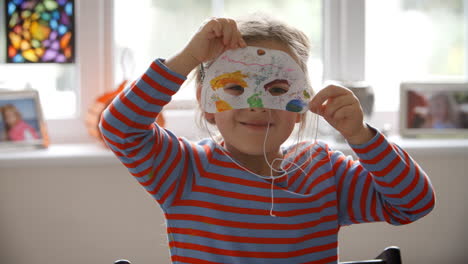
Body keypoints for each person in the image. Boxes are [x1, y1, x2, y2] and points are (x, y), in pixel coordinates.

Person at [100, 15, 435, 264]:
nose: (256, 105)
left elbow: (414, 203)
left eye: (277, 89)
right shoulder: (184, 170)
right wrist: (189, 57)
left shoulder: (324, 171)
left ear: (302, 105)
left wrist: (362, 136)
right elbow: (120, 127)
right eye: (235, 87)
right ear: (206, 101)